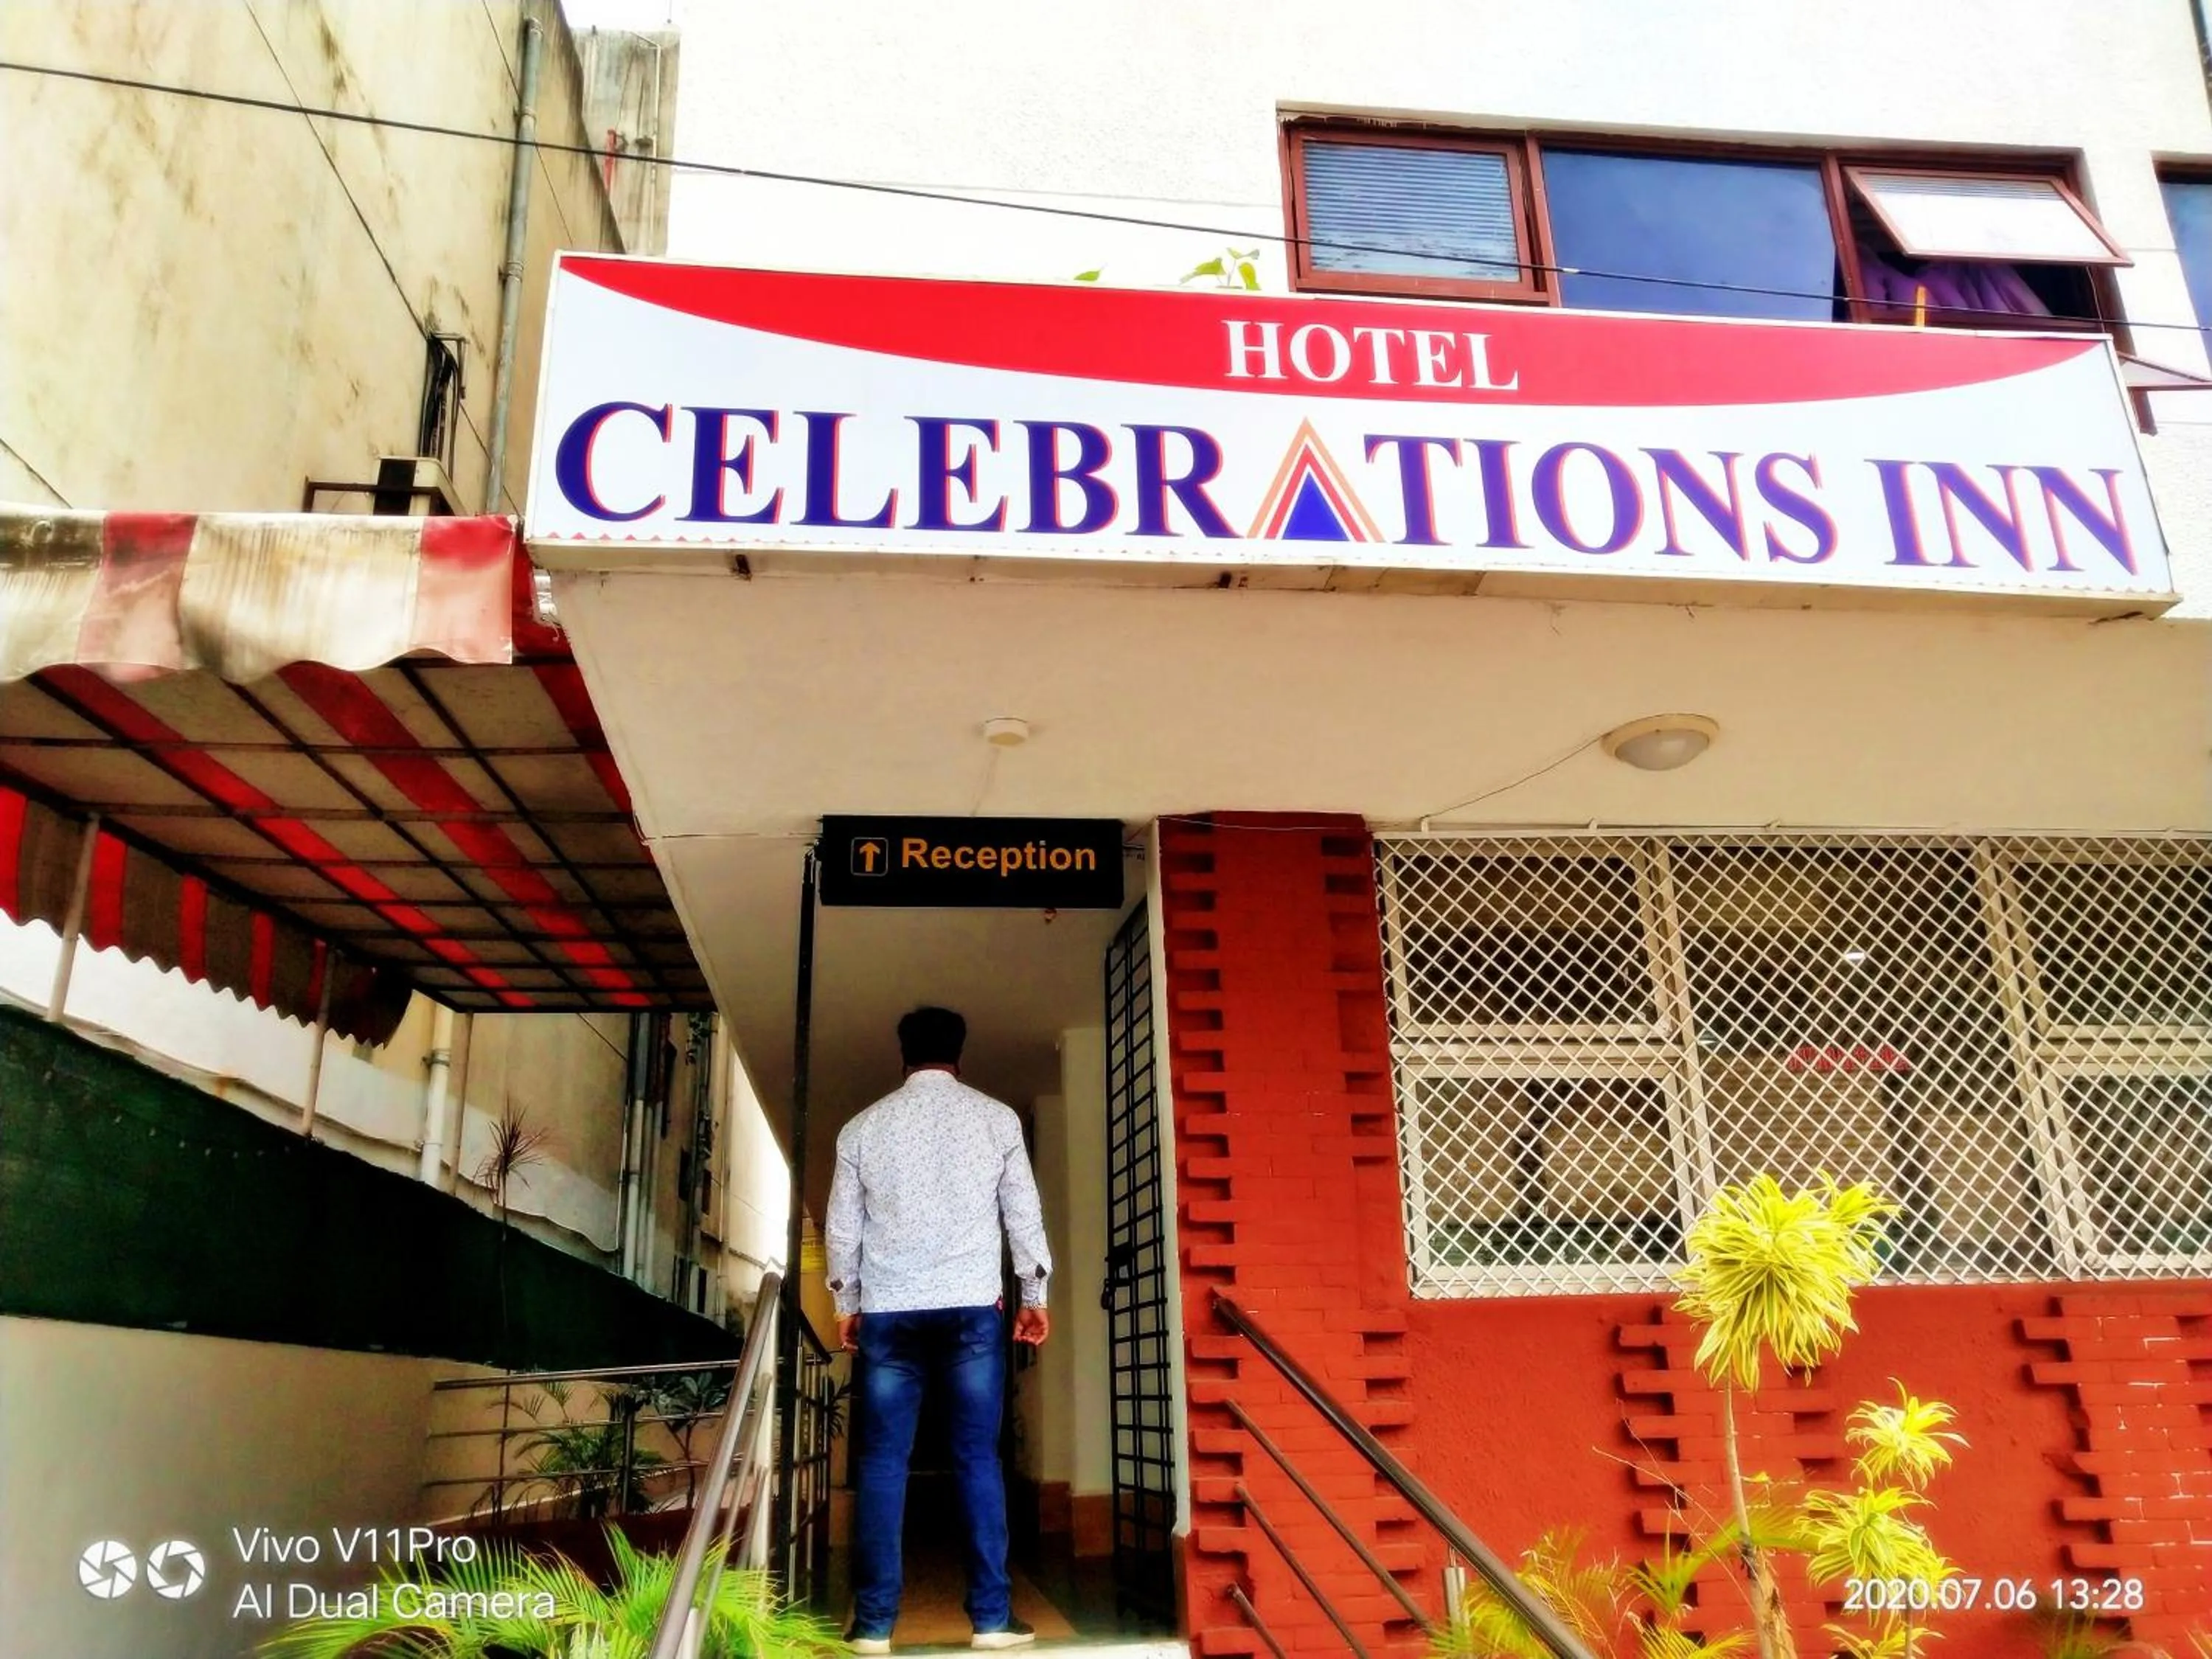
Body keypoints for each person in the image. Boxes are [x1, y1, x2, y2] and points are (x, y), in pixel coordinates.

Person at [824, 1006, 1053, 1654]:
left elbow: (842, 1230)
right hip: (972, 1311)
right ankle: (991, 1620)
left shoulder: (862, 1128)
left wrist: (847, 1304)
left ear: (902, 1056)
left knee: (881, 1463)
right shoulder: (997, 1119)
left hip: (890, 1313)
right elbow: (1023, 1216)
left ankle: (873, 1627)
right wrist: (1034, 1294)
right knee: (978, 1459)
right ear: (959, 1054)